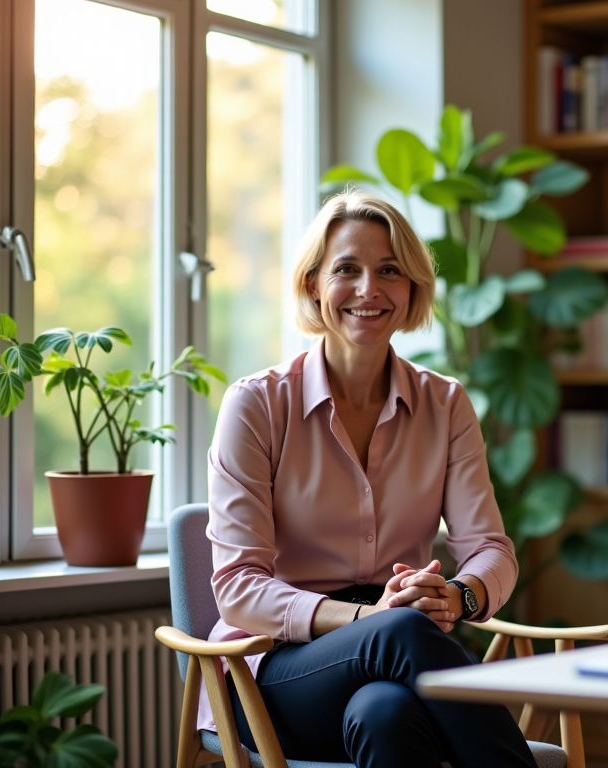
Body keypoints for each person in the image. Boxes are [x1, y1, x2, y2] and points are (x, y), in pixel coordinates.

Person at [203, 190, 537, 768]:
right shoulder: (256, 405)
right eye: (346, 270)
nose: (369, 290)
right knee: (401, 633)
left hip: (395, 671)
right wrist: (370, 618)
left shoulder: (445, 404)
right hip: (278, 672)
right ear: (313, 284)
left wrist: (457, 596)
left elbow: (489, 548)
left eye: (390, 271)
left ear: (412, 288)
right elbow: (237, 587)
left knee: (384, 714)